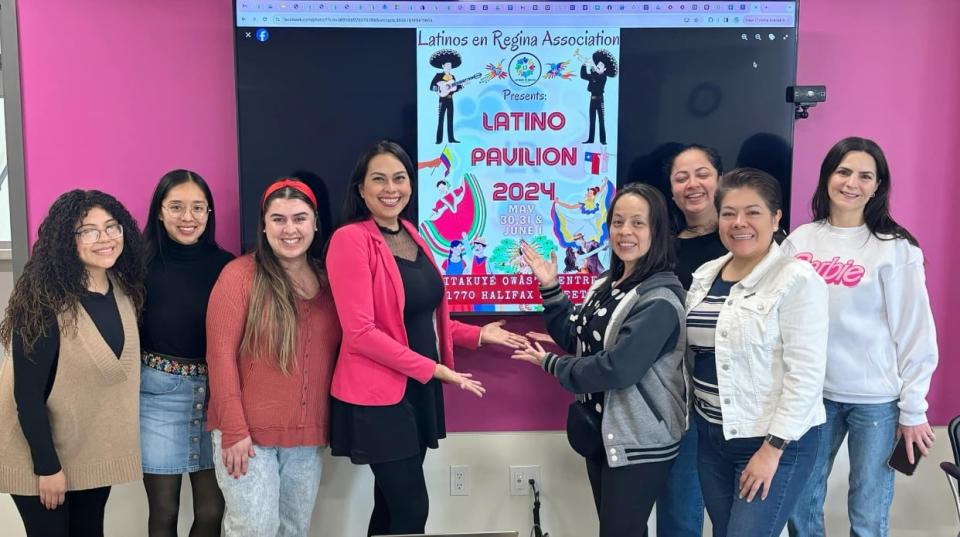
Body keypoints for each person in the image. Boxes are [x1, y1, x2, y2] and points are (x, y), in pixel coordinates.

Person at [325, 140, 526, 536]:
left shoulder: (413, 235)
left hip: (417, 390)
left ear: (411, 186)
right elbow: (361, 333)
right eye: (378, 179)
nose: (390, 188)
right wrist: (433, 369)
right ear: (361, 189)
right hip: (379, 398)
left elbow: (421, 320)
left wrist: (479, 334)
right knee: (412, 509)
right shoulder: (350, 240)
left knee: (391, 508)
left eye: (399, 178)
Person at [514, 183, 688, 537]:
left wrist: (552, 365)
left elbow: (617, 368)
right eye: (618, 222)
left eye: (638, 223)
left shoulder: (660, 299)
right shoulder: (606, 284)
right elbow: (577, 339)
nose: (625, 232)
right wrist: (550, 288)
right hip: (603, 434)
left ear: (657, 232)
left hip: (640, 440)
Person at [786, 137, 938, 537]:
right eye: (843, 171)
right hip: (812, 396)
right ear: (827, 177)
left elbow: (915, 332)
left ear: (877, 186)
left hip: (876, 401)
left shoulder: (894, 248)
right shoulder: (800, 241)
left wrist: (913, 408)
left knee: (868, 508)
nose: (852, 183)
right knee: (800, 500)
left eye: (865, 176)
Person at [686, 168, 827, 537]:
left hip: (772, 442)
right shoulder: (705, 276)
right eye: (729, 213)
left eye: (753, 212)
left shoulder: (797, 279)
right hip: (712, 437)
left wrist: (771, 450)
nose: (739, 223)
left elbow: (807, 376)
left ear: (776, 217)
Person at [0, 190, 146, 537]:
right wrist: (47, 467)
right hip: (36, 454)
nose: (105, 238)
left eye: (112, 227)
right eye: (89, 231)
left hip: (88, 453)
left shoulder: (125, 291)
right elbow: (27, 395)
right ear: (68, 240)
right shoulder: (44, 300)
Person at [205, 178, 341, 536]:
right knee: (253, 529)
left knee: (293, 530)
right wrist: (233, 430)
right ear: (264, 225)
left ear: (315, 222)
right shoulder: (239, 275)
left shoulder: (330, 282)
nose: (289, 229)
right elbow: (219, 357)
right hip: (246, 436)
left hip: (307, 438)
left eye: (299, 218)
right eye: (278, 219)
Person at [139, 170, 234, 537]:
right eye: (176, 207)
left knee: (212, 511)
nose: (187, 217)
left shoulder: (227, 266)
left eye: (197, 207)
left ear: (209, 213)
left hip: (215, 397)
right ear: (160, 212)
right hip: (157, 397)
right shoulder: (139, 265)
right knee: (164, 511)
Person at [657, 144, 727, 537]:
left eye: (702, 173)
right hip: (678, 398)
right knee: (678, 513)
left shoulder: (750, 240)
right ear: (671, 191)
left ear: (720, 179)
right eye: (681, 178)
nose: (692, 184)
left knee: (736, 517)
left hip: (737, 404)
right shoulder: (663, 247)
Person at [579, 49, 617, 145]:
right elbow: (583, 76)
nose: (598, 66)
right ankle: (591, 139)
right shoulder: (594, 75)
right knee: (592, 121)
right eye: (598, 65)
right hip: (592, 100)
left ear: (604, 69)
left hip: (600, 100)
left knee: (601, 121)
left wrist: (591, 66)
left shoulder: (603, 77)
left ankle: (603, 140)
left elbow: (595, 77)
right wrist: (584, 64)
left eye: (600, 66)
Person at [430, 49, 464, 144]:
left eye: (450, 65)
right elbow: (432, 87)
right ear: (443, 66)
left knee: (450, 119)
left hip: (450, 100)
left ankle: (451, 139)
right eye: (448, 65)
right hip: (442, 99)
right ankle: (439, 140)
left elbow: (454, 89)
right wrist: (440, 90)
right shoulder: (438, 76)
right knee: (440, 119)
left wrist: (462, 86)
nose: (450, 66)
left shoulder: (452, 78)